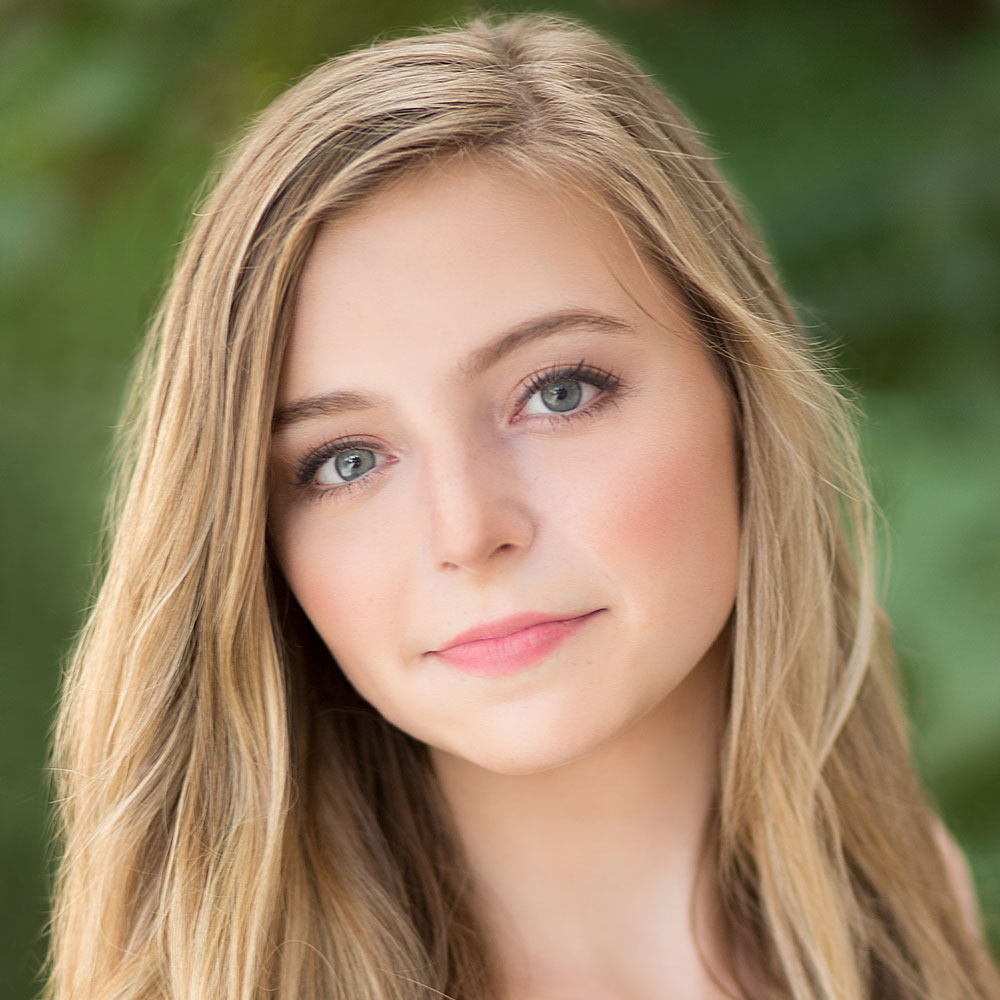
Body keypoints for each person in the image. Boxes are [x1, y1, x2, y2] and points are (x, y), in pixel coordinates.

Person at [46, 13, 999, 1000]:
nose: (468, 530)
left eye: (557, 392)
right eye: (344, 460)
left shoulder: (905, 927)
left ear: (742, 391)